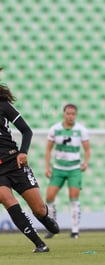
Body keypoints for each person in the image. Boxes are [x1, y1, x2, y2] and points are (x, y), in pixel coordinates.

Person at [0, 81, 59, 253]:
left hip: (14, 162)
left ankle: (44, 218)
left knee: (39, 209)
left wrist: (23, 152)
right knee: (7, 200)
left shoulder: (3, 106)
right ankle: (39, 244)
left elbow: (27, 131)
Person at [44, 103, 90, 239]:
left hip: (74, 169)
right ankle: (52, 227)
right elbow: (48, 149)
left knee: (74, 197)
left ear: (76, 115)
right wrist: (47, 167)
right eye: (68, 113)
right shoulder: (55, 129)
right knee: (49, 197)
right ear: (64, 114)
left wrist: (85, 162)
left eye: (73, 114)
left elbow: (87, 149)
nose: (70, 116)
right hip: (58, 168)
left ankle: (75, 230)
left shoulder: (81, 130)